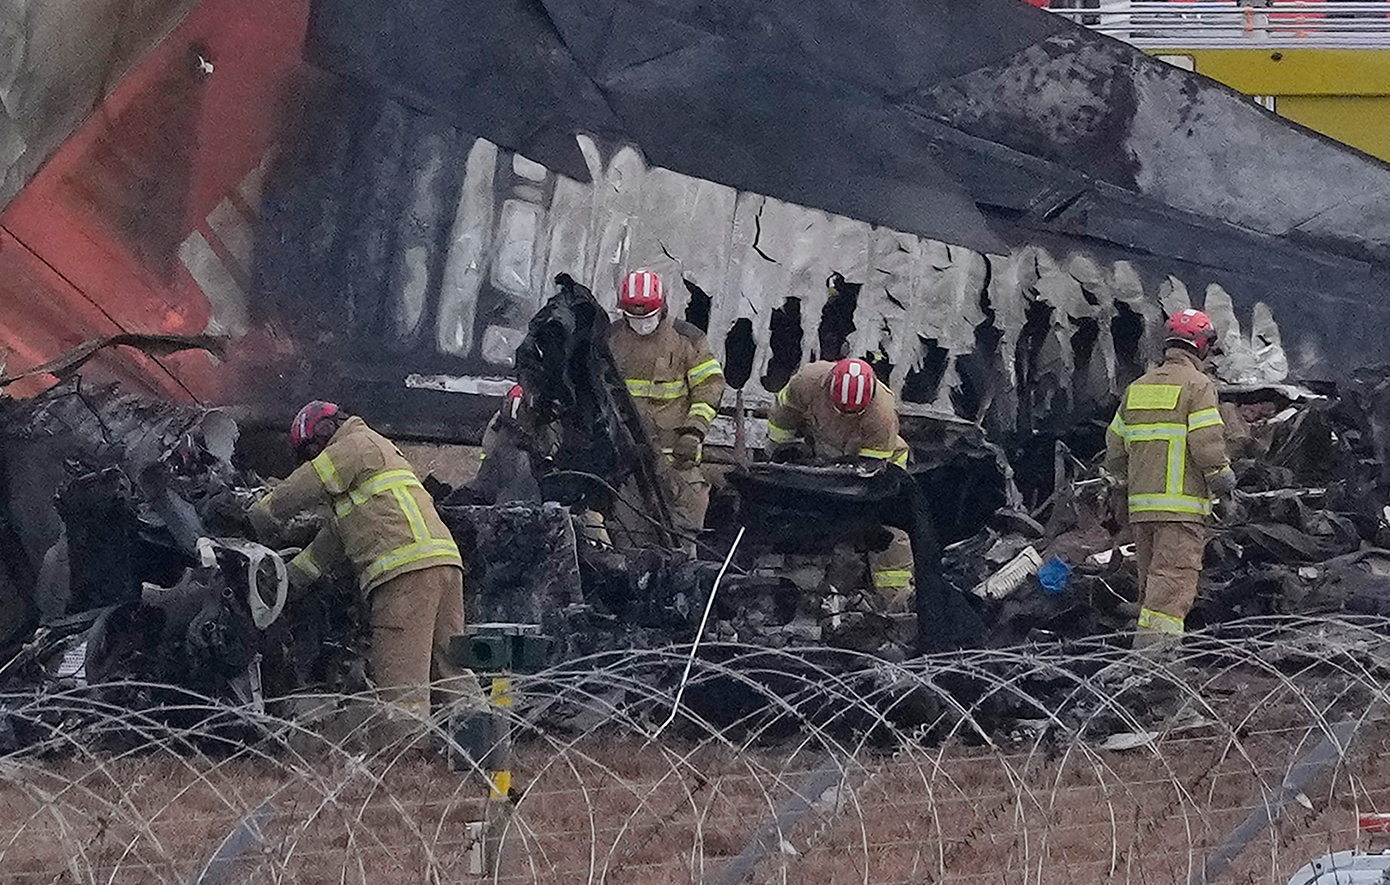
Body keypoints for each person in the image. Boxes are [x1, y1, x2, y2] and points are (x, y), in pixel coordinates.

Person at [249, 401, 480, 741]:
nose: (311, 460)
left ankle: (407, 761)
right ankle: (484, 746)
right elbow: (331, 544)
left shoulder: (353, 445)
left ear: (323, 434)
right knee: (452, 665)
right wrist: (290, 578)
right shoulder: (378, 454)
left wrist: (255, 514)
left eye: (310, 451)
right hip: (442, 565)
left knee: (402, 679)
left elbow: (303, 486)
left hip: (403, 575)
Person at [1105, 309, 1236, 649]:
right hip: (1181, 511)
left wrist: (1121, 490)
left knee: (1151, 587)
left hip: (1142, 511)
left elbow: (1115, 448)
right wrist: (1223, 481)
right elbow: (1206, 443)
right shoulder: (1197, 385)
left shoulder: (1138, 388)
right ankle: (1154, 669)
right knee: (1172, 589)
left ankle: (1148, 662)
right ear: (1202, 346)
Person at [766, 358, 915, 653]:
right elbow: (782, 417)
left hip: (880, 471)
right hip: (822, 457)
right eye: (840, 408)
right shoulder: (807, 381)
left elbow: (870, 475)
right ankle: (794, 590)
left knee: (891, 536)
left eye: (853, 411)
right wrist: (779, 453)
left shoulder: (881, 415)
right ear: (829, 387)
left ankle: (895, 608)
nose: (846, 414)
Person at [606, 269, 725, 550]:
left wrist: (693, 433)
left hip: (677, 463)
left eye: (647, 317)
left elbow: (710, 387)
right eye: (634, 317)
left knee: (682, 540)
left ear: (663, 306)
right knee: (629, 539)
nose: (641, 324)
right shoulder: (609, 340)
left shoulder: (687, 339)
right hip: (628, 465)